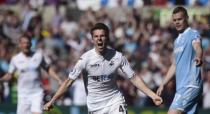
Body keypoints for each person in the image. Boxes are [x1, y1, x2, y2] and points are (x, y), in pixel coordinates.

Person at [43, 23, 162, 114]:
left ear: (107, 38)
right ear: (92, 39)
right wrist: (52, 101)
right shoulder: (85, 59)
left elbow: (134, 78)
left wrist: (152, 95)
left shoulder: (118, 57)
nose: (99, 39)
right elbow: (68, 82)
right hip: (95, 107)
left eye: (102, 36)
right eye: (96, 36)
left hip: (115, 101)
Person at [156, 6, 203, 114]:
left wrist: (199, 56)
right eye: (175, 20)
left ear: (186, 18)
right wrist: (163, 84)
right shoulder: (176, 41)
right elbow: (174, 65)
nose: (177, 22)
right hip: (181, 88)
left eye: (180, 19)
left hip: (190, 85)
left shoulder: (193, 33)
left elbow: (197, 46)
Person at [0, 34, 62, 114]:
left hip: (37, 93)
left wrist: (58, 79)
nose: (26, 45)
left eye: (28, 43)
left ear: (31, 44)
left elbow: (48, 68)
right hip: (23, 94)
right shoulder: (15, 59)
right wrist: (1, 80)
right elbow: (9, 75)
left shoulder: (38, 56)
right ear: (20, 45)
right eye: (23, 43)